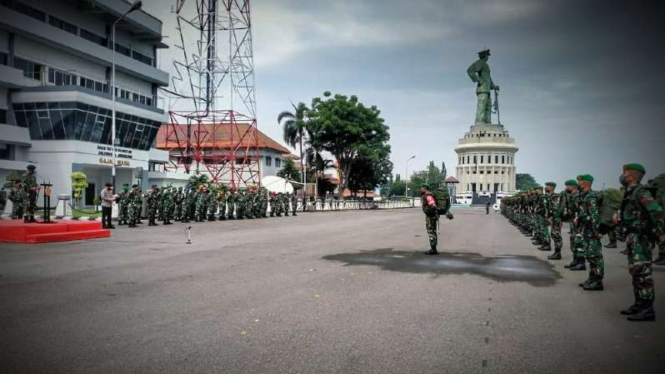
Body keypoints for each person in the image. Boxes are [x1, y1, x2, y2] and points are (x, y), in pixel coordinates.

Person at [616, 164, 664, 321]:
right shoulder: (631, 192)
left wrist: (661, 234)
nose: (622, 177)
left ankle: (647, 309)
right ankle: (639, 304)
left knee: (642, 273)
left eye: (624, 174)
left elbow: (656, 211)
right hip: (633, 237)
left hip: (641, 238)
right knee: (636, 272)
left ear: (630, 176)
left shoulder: (640, 191)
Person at [575, 174, 605, 291]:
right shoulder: (584, 196)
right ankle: (592, 278)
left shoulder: (591, 196)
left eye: (581, 181)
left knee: (595, 255)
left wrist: (597, 231)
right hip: (586, 229)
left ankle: (598, 281)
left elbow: (594, 215)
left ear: (587, 182)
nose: (579, 183)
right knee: (590, 255)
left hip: (592, 230)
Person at [421, 183, 439, 255]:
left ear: (425, 188)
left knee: (431, 232)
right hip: (432, 216)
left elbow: (433, 204)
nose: (421, 189)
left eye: (422, 188)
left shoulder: (428, 195)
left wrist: (433, 211)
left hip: (430, 217)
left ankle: (433, 249)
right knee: (432, 232)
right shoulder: (428, 195)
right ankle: (434, 248)